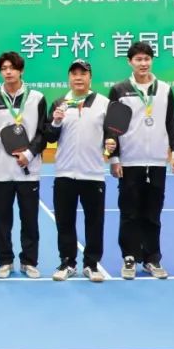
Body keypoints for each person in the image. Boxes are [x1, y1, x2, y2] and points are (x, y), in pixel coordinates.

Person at [107, 41, 174, 280]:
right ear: (130, 62)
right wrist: (114, 158)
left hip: (157, 161)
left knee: (153, 213)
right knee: (129, 212)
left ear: (152, 60)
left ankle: (152, 258)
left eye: (147, 59)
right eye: (138, 59)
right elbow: (112, 127)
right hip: (129, 162)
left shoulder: (165, 89)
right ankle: (129, 257)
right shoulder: (119, 90)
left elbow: (171, 122)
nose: (143, 63)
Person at [44, 60, 115, 282]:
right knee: (65, 222)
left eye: (83, 74)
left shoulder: (104, 103)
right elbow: (49, 136)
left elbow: (112, 135)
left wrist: (111, 146)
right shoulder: (59, 103)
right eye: (74, 73)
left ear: (90, 78)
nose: (78, 77)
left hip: (93, 173)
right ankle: (67, 262)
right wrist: (56, 122)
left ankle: (92, 264)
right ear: (69, 78)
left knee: (94, 222)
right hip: (64, 173)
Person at [0, 51, 48, 279]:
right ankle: (5, 261)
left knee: (30, 220)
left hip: (29, 171)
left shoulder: (37, 98)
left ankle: (29, 261)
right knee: (2, 221)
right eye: (4, 69)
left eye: (12, 68)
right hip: (0, 172)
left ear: (21, 70)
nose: (8, 72)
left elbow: (43, 132)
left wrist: (29, 153)